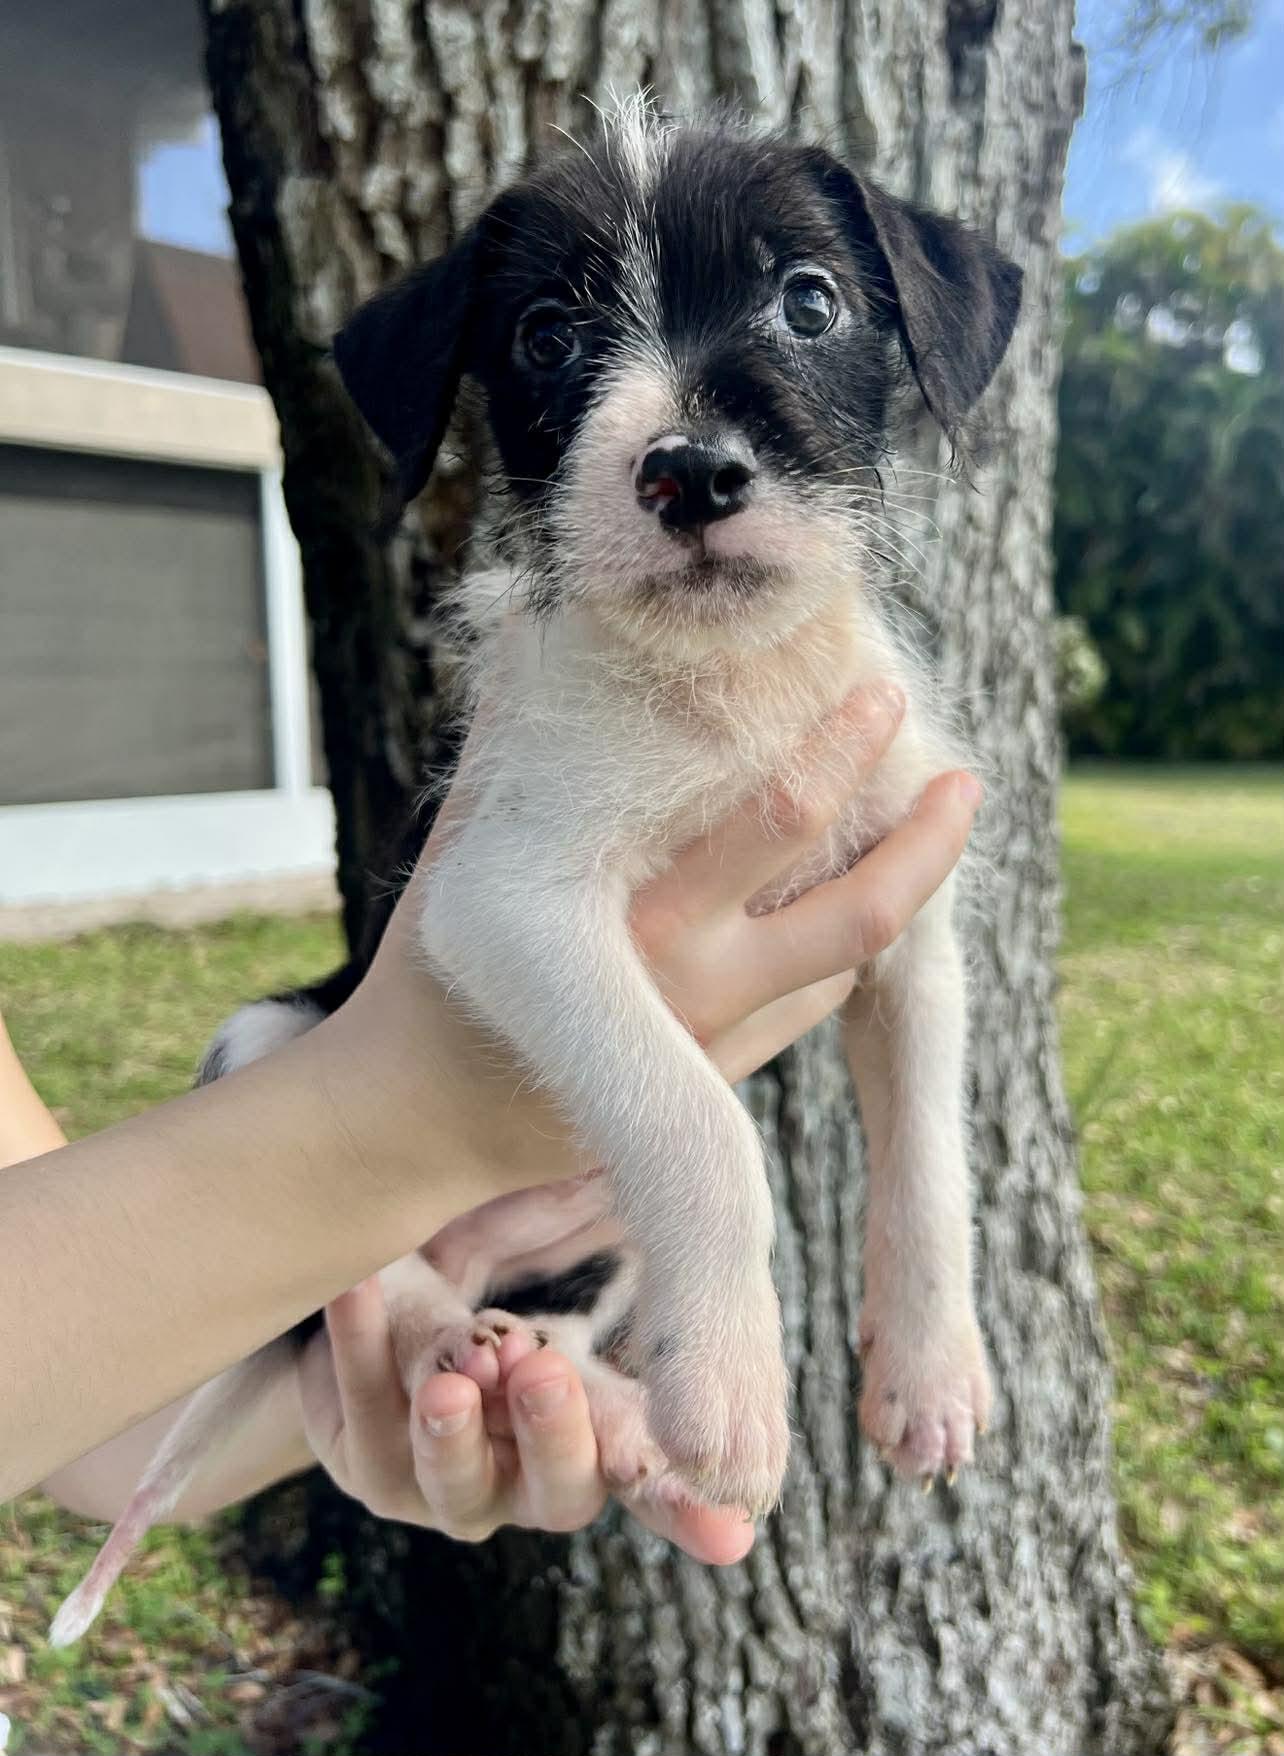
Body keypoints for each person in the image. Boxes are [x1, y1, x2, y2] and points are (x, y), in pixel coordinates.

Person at [1, 682, 979, 1561]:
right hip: (393, 1125)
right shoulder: (568, 672)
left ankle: (545, 1347)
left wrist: (924, 1286)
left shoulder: (861, 693)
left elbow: (79, 1432)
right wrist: (413, 1137)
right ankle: (446, 1312)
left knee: (656, 1149)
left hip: (557, 1204)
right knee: (260, 1042)